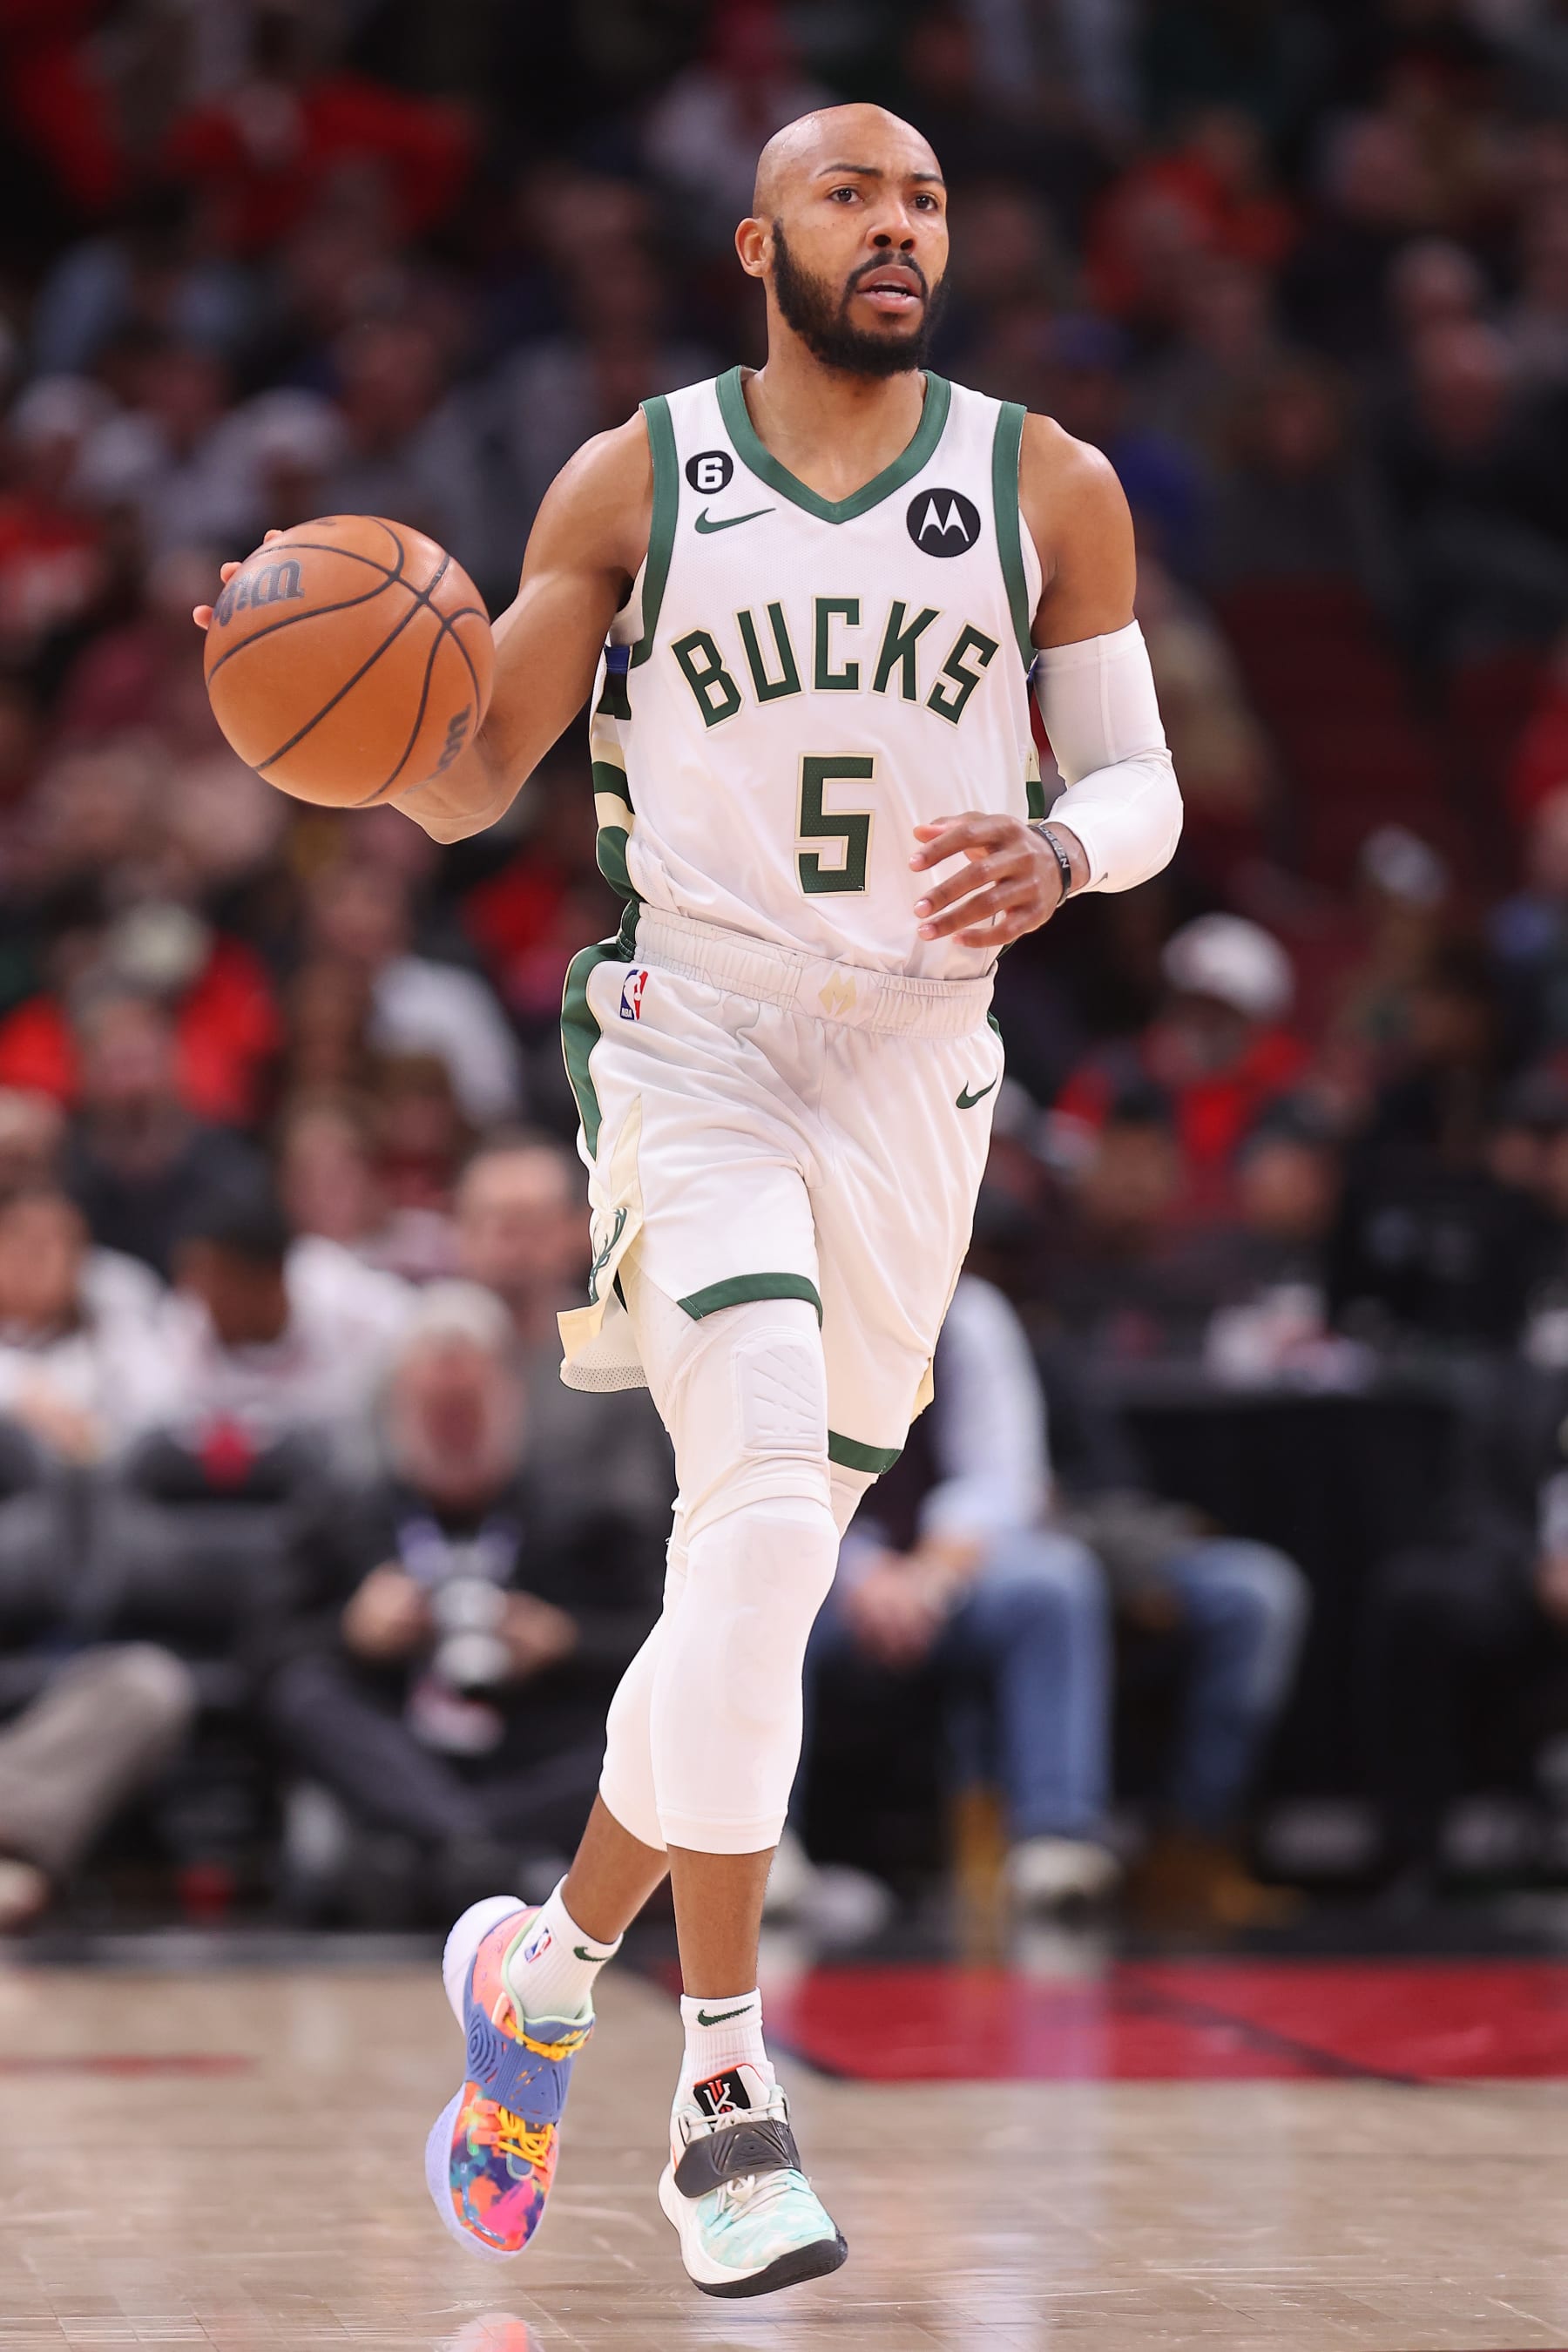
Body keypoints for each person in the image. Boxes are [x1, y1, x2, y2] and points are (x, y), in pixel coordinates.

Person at [197, 105, 1180, 2297]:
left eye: (926, 199)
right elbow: (472, 773)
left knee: (760, 1583)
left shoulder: (1048, 484)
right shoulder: (635, 479)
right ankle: (725, 2099)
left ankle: (541, 1970)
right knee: (744, 1523)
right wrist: (303, 688)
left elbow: (1139, 776)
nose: (899, 226)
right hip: (698, 1040)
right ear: (758, 242)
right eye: (853, 194)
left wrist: (1068, 849)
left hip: (919, 1068)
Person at [264, 1284, 662, 1923]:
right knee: (308, 1694)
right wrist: (351, 1633)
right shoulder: (342, 1516)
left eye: (467, 1410)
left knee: (644, 1726)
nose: (453, 1435)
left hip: (534, 1753)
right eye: (436, 1412)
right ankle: (477, 1847)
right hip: (403, 1754)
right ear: (398, 1406)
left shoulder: (585, 1516)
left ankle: (455, 1845)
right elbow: (263, 1654)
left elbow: (661, 1643)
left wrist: (566, 1641)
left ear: (510, 1399)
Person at [795, 1272, 1118, 1915]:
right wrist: (860, 1570)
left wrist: (925, 1580)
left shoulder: (968, 1310)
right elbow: (764, 1472)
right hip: (813, 1563)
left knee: (1056, 1583)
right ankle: (761, 1848)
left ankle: (1055, 1838)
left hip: (944, 1572)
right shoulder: (783, 1299)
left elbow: (1003, 1478)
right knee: (745, 1592)